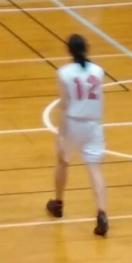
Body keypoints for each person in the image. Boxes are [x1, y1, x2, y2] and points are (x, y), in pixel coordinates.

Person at [46, 34, 109, 236]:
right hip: (93, 124)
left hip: (73, 123)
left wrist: (60, 135)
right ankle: (102, 213)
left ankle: (58, 203)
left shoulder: (64, 73)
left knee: (63, 162)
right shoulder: (98, 71)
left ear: (69, 50)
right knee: (94, 169)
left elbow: (64, 105)